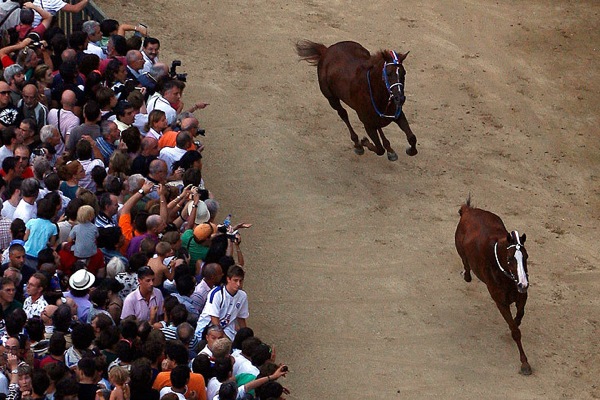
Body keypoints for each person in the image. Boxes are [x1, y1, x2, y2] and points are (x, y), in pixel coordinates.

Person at [195, 266, 248, 341]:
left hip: (226, 329)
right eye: (235, 280)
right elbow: (214, 320)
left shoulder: (243, 296)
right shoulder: (216, 294)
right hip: (207, 330)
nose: (238, 284)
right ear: (228, 279)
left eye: (240, 281)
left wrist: (246, 337)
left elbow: (241, 318)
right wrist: (225, 341)